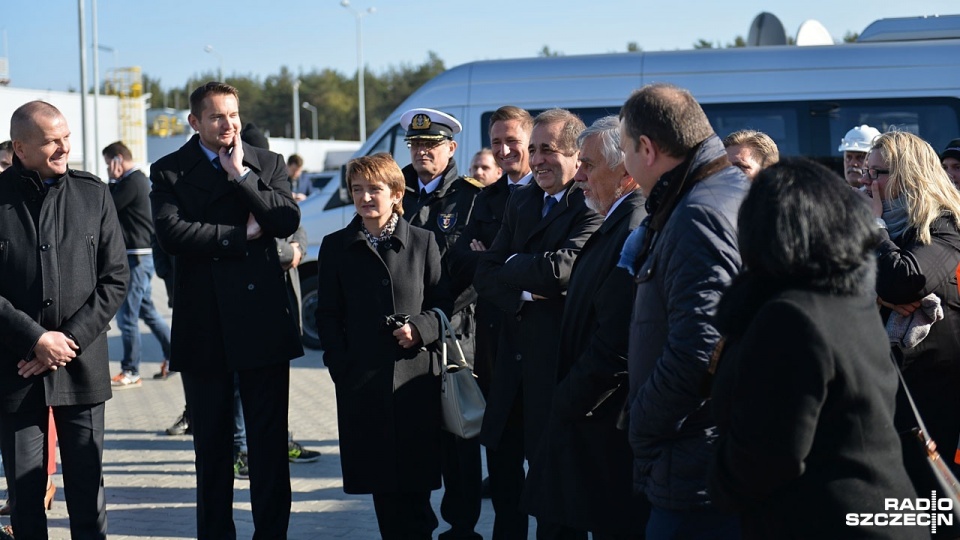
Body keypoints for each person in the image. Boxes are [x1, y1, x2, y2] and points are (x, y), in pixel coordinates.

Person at [707, 158, 923, 539]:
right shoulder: (846, 298)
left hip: (826, 520)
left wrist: (716, 478)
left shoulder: (790, 316)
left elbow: (769, 454)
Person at [150, 82, 303, 539]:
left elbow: (286, 220)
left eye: (233, 115)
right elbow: (173, 234)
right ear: (195, 122)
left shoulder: (266, 162)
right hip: (205, 324)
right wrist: (241, 237)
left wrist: (241, 177)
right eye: (217, 117)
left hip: (263, 323)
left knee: (268, 447)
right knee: (212, 449)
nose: (228, 124)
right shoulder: (169, 171)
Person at [619, 83, 748, 539]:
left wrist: (643, 425)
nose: (624, 164)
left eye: (624, 149)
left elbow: (701, 345)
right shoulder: (714, 191)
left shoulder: (700, 212)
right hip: (700, 451)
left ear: (648, 149)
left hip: (695, 460)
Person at [0, 100, 127, 539]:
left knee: (87, 494)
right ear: (20, 147)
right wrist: (34, 339)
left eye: (66, 137)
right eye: (51, 141)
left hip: (81, 365)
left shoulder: (94, 194)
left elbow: (115, 279)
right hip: (15, 369)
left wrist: (63, 342)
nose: (64, 147)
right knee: (24, 496)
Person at [474, 108, 602, 539]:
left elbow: (563, 271)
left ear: (576, 155)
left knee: (555, 499)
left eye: (549, 149)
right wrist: (528, 289)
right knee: (506, 492)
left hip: (557, 371)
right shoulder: (521, 198)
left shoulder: (590, 202)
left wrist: (514, 267)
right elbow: (484, 273)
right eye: (534, 150)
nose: (538, 159)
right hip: (511, 370)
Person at [523, 115, 649, 538]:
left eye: (589, 165)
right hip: (588, 416)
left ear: (626, 171)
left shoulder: (631, 224)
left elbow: (616, 338)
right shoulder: (616, 216)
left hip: (603, 420)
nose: (579, 176)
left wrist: (568, 398)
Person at [315, 152, 451, 539]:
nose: (365, 197)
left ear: (396, 193)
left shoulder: (424, 242)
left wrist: (420, 330)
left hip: (415, 384)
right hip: (363, 385)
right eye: (357, 189)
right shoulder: (336, 246)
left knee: (416, 495)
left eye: (374, 188)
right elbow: (327, 315)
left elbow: (443, 303)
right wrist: (340, 367)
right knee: (383, 494)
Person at [399, 107, 484, 540]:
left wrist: (434, 319)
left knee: (458, 441)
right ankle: (418, 526)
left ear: (451, 148)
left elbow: (473, 274)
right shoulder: (394, 189)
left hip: (454, 336)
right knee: (413, 439)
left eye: (430, 146)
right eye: (415, 145)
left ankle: (462, 528)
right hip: (407, 341)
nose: (421, 153)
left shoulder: (473, 197)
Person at [447, 106, 534, 504]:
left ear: (530, 142)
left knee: (546, 467)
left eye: (512, 141)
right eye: (496, 142)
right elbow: (465, 259)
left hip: (538, 346)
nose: (503, 150)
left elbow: (553, 269)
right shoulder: (487, 197)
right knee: (501, 467)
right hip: (494, 344)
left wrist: (496, 259)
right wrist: (505, 263)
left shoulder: (557, 195)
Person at [864, 131, 960, 486]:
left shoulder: (944, 225)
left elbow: (903, 281)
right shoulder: (882, 226)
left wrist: (875, 228)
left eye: (878, 173)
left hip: (930, 398)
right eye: (867, 172)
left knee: (931, 511)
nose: (867, 181)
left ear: (909, 173)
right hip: (882, 391)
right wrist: (878, 297)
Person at [102, 141, 172, 389]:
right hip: (139, 255)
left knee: (127, 318)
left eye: (108, 163)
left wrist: (111, 180)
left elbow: (107, 207)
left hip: (137, 256)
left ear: (117, 160)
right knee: (147, 311)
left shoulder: (132, 182)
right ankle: (173, 355)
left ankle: (131, 370)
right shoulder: (136, 180)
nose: (108, 168)